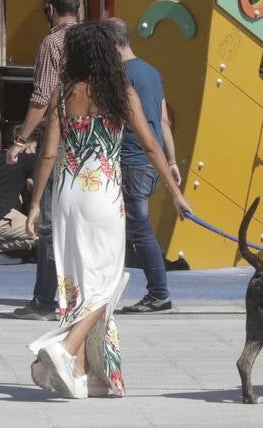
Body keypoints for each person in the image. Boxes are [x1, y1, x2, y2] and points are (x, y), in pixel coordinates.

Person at [25, 22, 193, 399]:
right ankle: (66, 348)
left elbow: (49, 153)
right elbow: (150, 146)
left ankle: (82, 373)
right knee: (108, 282)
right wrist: (174, 192)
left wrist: (36, 204)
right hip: (102, 196)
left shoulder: (62, 93)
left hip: (66, 196)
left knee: (78, 284)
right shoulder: (121, 93)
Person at [6, 0, 79, 320]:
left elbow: (42, 96)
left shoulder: (52, 43)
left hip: (61, 138)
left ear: (50, 9)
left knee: (48, 222)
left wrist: (21, 139)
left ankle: (44, 300)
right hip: (93, 142)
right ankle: (80, 297)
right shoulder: (95, 40)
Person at [105, 18, 182, 314]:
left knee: (138, 229)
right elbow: (162, 120)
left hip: (131, 158)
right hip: (151, 159)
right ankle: (147, 291)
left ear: (112, 45)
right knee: (132, 228)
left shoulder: (118, 76)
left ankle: (159, 292)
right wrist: (171, 160)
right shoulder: (151, 72)